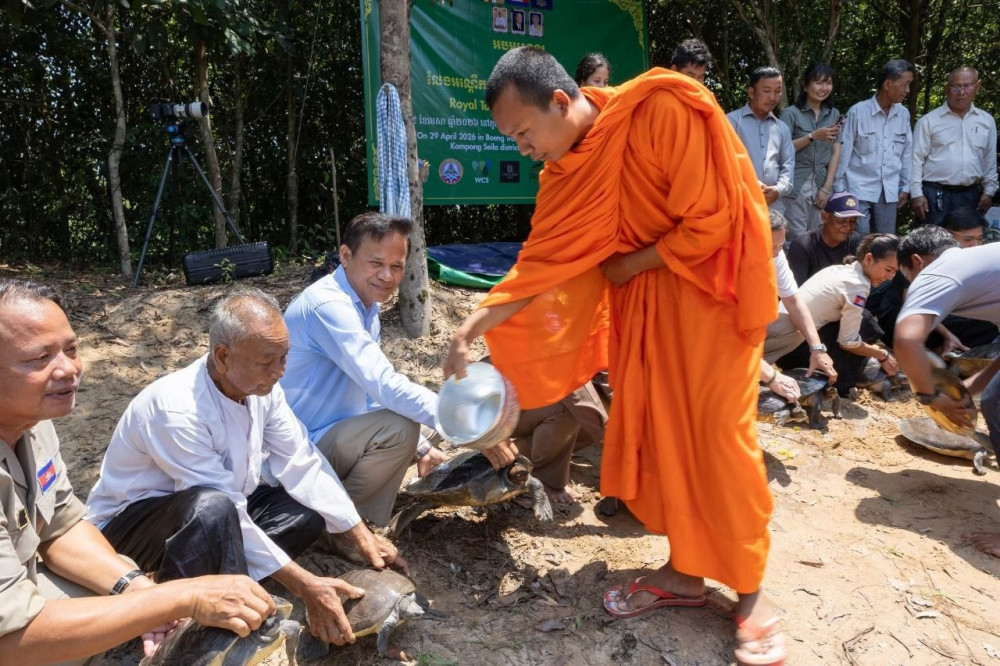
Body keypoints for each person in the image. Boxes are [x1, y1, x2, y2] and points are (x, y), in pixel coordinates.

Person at [443, 46, 786, 664]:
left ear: (559, 100)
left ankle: (752, 589)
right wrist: (468, 330)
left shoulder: (660, 109)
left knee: (718, 436)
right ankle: (685, 572)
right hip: (646, 310)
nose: (522, 148)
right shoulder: (565, 173)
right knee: (663, 433)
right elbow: (537, 266)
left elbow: (713, 219)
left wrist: (633, 262)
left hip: (709, 298)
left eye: (523, 132)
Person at [86, 289, 404, 650]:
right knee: (213, 508)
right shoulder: (176, 409)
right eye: (267, 361)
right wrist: (304, 584)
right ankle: (175, 614)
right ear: (223, 357)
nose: (279, 372)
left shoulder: (262, 389)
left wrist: (357, 531)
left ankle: (231, 583)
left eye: (284, 358)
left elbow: (300, 459)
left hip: (218, 509)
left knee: (306, 513)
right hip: (131, 530)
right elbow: (222, 506)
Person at [0, 279, 275, 665]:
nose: (68, 369)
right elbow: (10, 639)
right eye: (39, 358)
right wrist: (180, 597)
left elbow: (60, 526)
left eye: (71, 349)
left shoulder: (33, 423)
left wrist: (137, 589)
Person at [281, 212, 516, 528]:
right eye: (376, 263)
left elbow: (369, 393)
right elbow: (383, 384)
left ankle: (349, 505)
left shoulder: (365, 304)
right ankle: (339, 525)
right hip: (303, 446)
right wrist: (473, 430)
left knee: (427, 423)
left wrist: (423, 450)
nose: (387, 276)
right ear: (345, 256)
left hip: (337, 430)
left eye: (397, 266)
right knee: (402, 427)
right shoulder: (329, 307)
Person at [893, 241, 1000, 558]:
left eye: (905, 276)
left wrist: (929, 395)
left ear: (916, 262)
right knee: (994, 400)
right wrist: (969, 387)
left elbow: (907, 339)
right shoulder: (980, 271)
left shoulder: (934, 273)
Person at [765, 234, 900, 397]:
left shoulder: (840, 270)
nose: (890, 277)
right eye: (888, 270)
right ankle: (846, 381)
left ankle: (857, 370)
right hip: (793, 344)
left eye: (894, 272)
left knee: (861, 319)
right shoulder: (856, 286)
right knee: (865, 323)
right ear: (869, 259)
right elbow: (848, 342)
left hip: (787, 333)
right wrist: (882, 355)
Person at [867, 224, 996, 352]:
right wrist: (947, 335)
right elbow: (911, 326)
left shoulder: (948, 269)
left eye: (979, 239)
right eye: (968, 239)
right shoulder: (927, 268)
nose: (974, 244)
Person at [762, 210, 838, 402]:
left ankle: (755, 369)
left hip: (751, 329)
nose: (776, 253)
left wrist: (817, 348)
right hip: (716, 337)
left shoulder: (776, 256)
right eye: (770, 247)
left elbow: (794, 301)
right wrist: (771, 377)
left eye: (780, 246)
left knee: (796, 327)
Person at [834, 59, 915, 235]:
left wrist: (906, 186)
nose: (908, 90)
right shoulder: (858, 111)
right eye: (905, 84)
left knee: (885, 241)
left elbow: (907, 153)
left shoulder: (903, 114)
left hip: (889, 190)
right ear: (888, 84)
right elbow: (844, 152)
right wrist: (839, 190)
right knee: (860, 238)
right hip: (857, 189)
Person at [910, 67, 998, 227]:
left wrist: (989, 191)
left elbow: (989, 160)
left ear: (977, 86)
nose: (961, 92)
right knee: (934, 240)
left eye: (967, 86)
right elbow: (915, 160)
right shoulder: (929, 121)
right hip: (935, 194)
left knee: (968, 238)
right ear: (947, 88)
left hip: (970, 195)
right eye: (955, 86)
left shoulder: (986, 121)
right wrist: (916, 194)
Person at [780, 63, 843, 242]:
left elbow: (836, 151)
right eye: (818, 82)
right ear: (806, 86)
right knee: (796, 239)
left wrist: (827, 187)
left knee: (819, 238)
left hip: (821, 185)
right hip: (795, 185)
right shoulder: (790, 114)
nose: (824, 88)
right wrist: (813, 136)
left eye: (828, 83)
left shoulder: (834, 114)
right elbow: (782, 149)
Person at [727, 67, 795, 212]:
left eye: (777, 91)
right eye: (767, 91)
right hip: (740, 204)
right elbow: (726, 162)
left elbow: (788, 166)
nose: (773, 97)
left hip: (775, 206)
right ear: (751, 92)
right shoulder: (731, 122)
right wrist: (753, 184)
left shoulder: (782, 128)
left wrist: (778, 190)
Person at [787, 191, 863, 286]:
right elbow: (796, 289)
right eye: (842, 221)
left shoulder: (857, 242)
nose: (847, 227)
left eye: (852, 221)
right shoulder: (802, 246)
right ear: (824, 217)